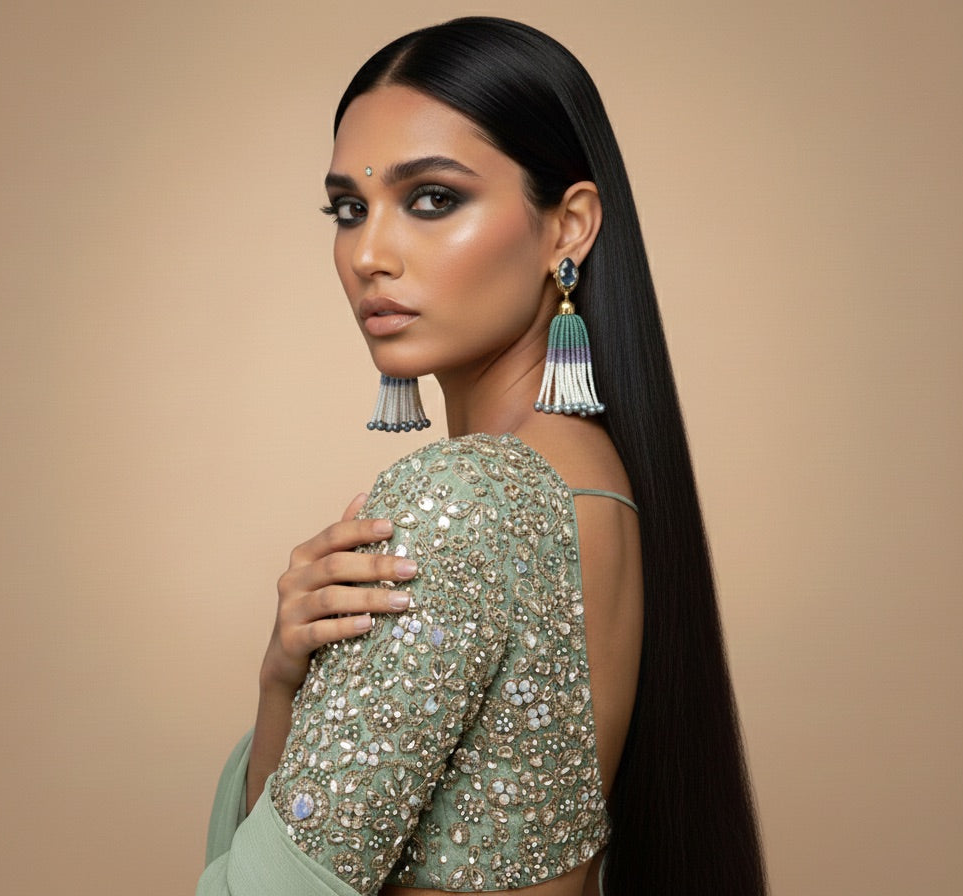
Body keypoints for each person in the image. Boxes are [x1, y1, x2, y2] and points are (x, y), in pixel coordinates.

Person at [198, 17, 765, 896]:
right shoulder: (600, 483)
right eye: (349, 208)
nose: (367, 255)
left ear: (566, 227)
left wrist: (279, 693)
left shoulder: (467, 494)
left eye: (431, 199)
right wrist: (284, 678)